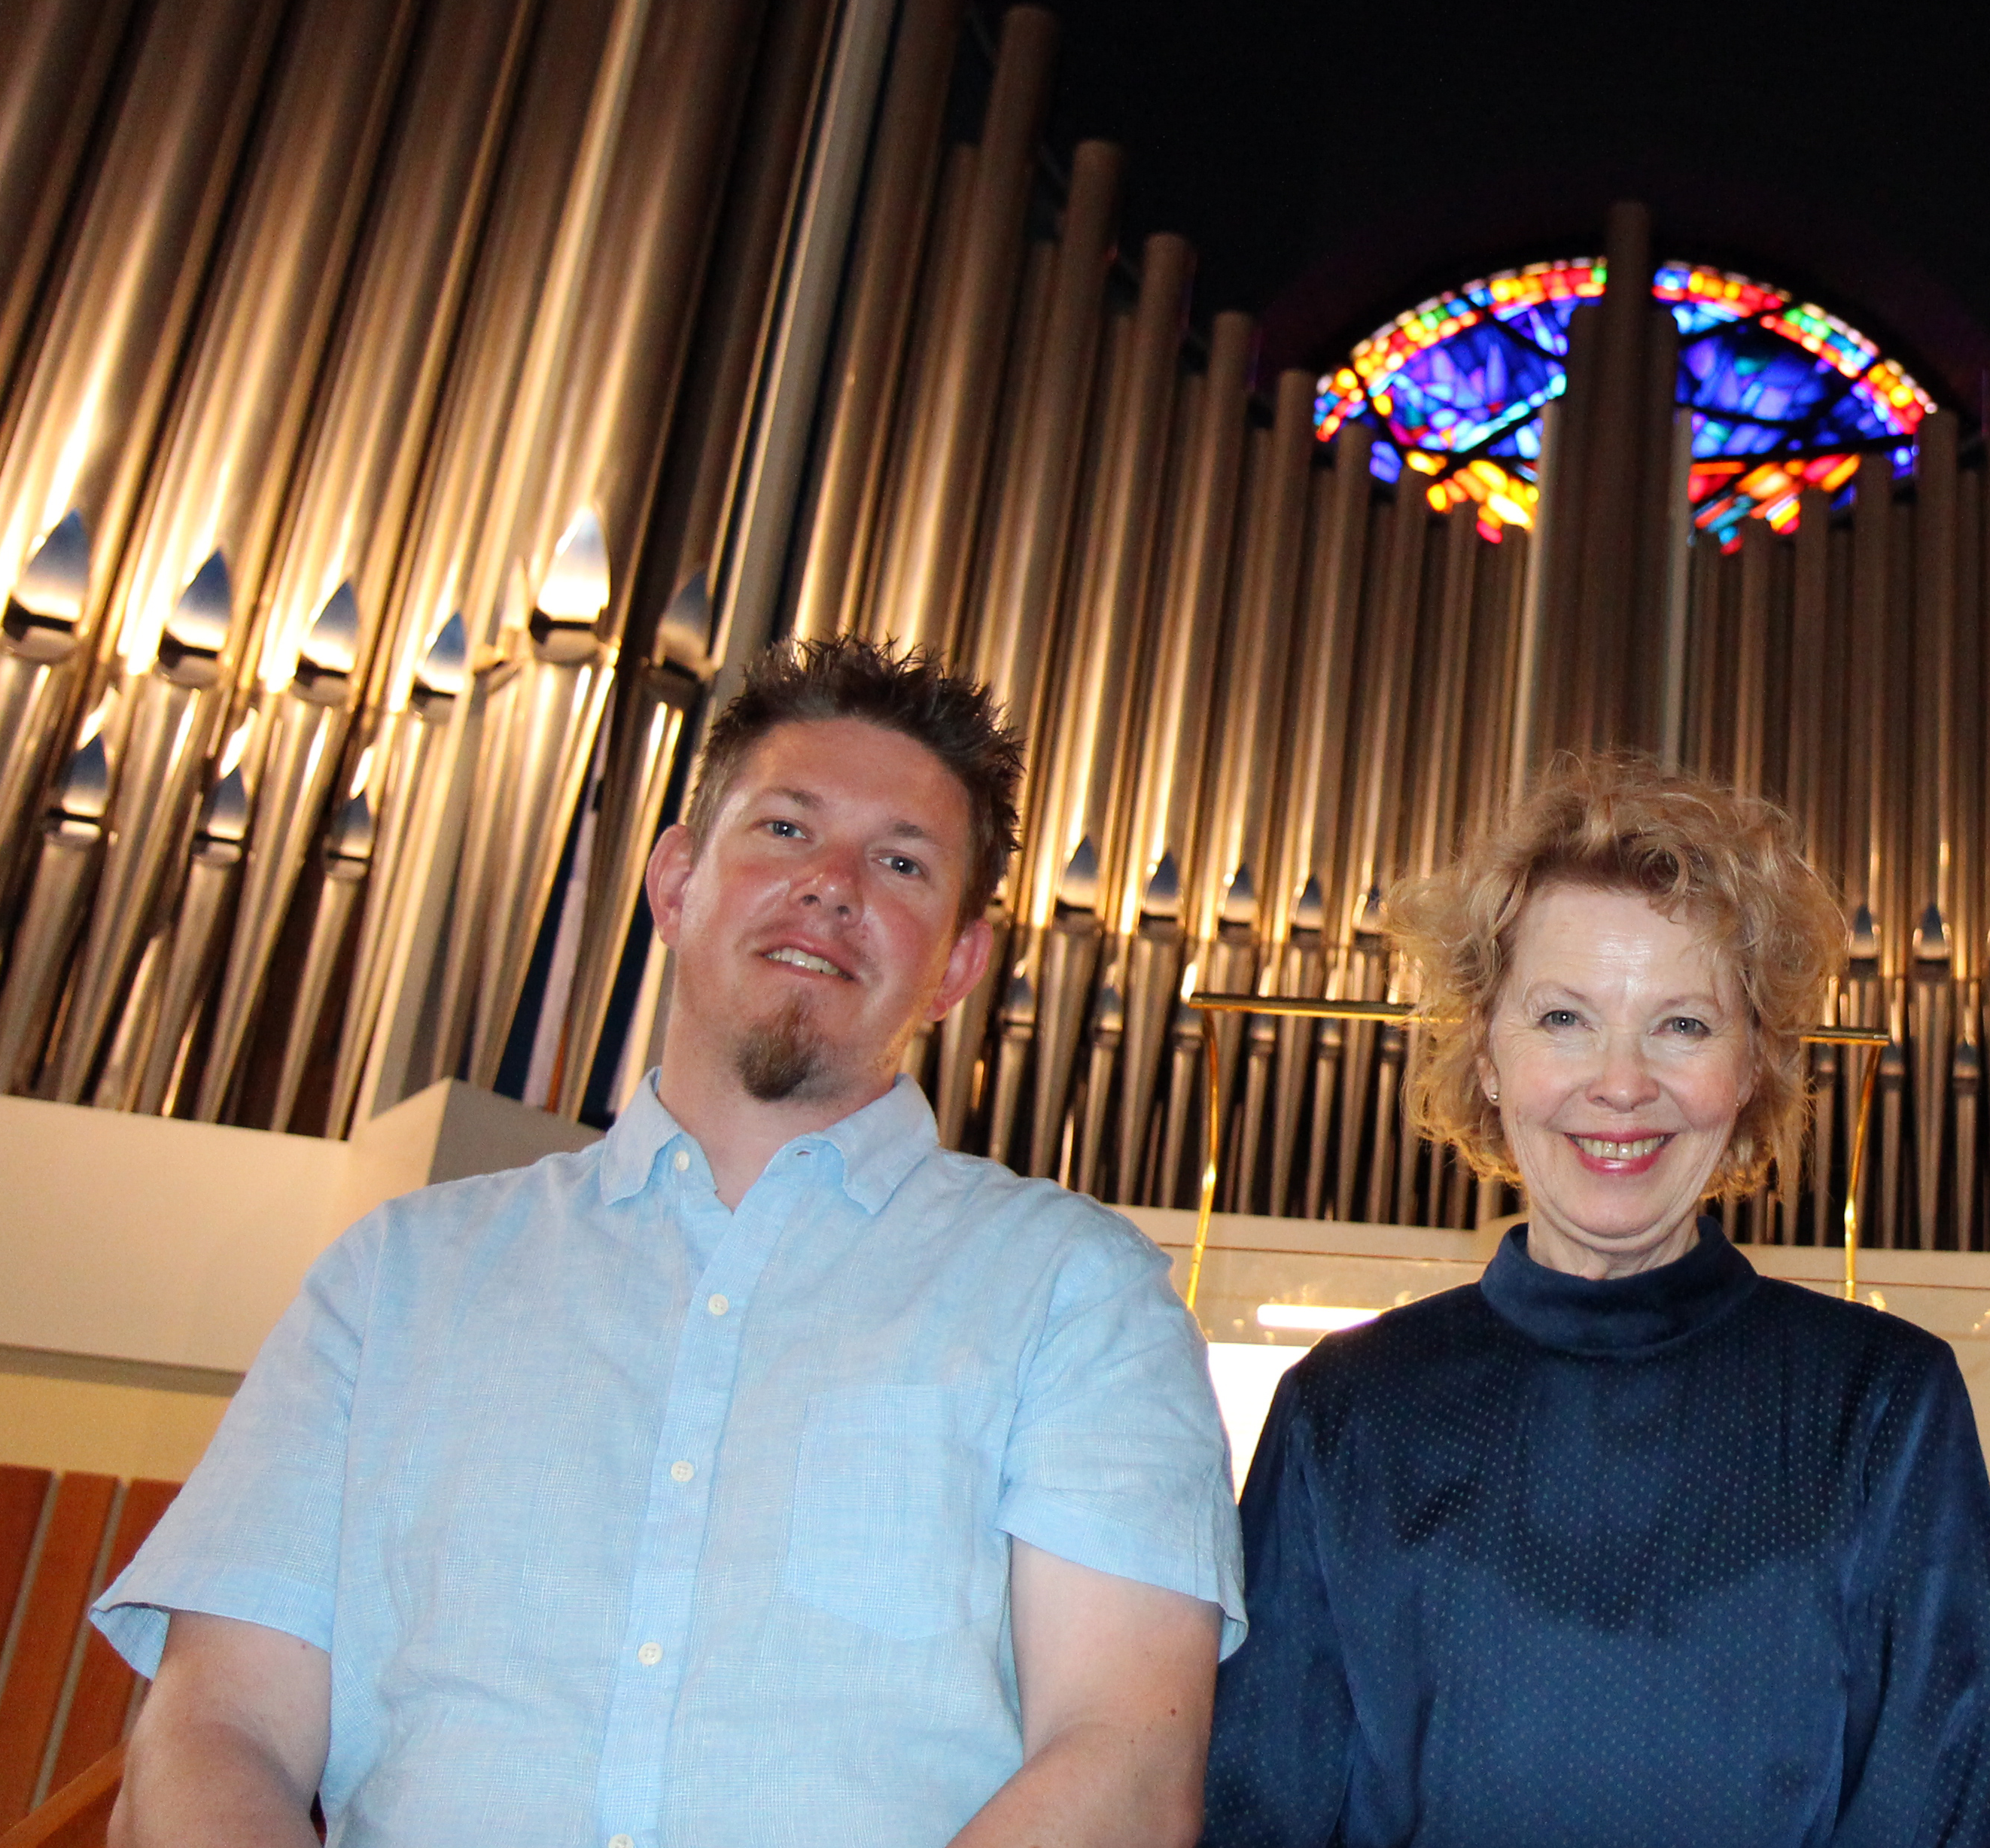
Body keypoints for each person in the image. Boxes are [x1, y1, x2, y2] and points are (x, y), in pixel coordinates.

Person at [95, 635, 1245, 1848]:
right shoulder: (395, 1278)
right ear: (675, 883)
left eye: (902, 863)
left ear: (959, 963)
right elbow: (219, 1727)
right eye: (786, 831)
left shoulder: (1078, 1293)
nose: (834, 885)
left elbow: (1122, 1759)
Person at [1203, 754, 1990, 1847]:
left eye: (1683, 1025)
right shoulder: (1342, 1413)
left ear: (1753, 1069)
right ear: (1486, 1055)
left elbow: (1934, 1796)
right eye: (1564, 1019)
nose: (1622, 1084)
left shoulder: (1883, 1404)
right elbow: (1264, 1807)